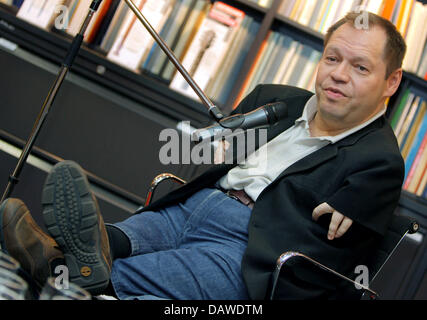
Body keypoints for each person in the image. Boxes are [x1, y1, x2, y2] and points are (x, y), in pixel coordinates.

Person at [0, 11, 406, 300]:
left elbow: (371, 203)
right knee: (133, 236)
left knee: (140, 271)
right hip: (195, 204)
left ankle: (57, 262)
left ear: (391, 82)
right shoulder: (275, 99)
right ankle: (81, 252)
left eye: (360, 67)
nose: (338, 73)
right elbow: (222, 147)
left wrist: (357, 200)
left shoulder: (379, 160)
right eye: (332, 58)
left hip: (247, 247)